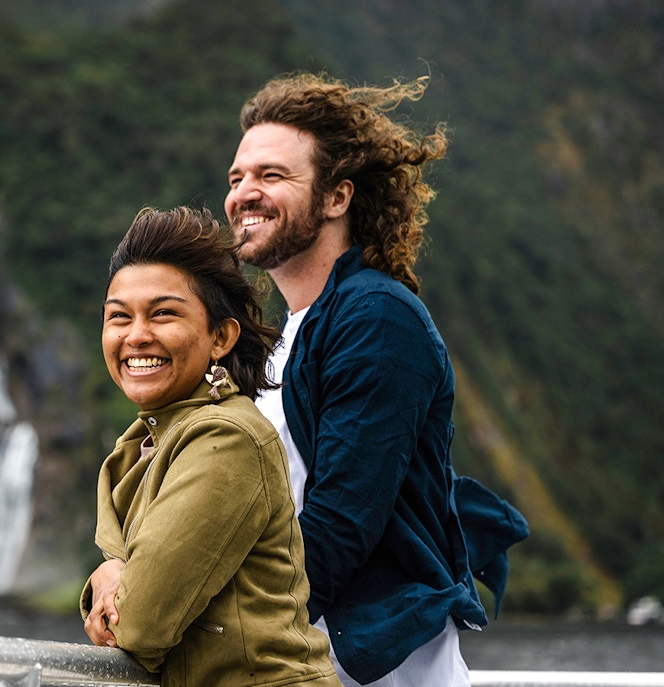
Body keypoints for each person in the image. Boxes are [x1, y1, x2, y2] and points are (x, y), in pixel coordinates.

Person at [225, 73, 528, 686]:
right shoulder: (287, 335)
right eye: (237, 178)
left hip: (366, 670)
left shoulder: (375, 315)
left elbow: (339, 524)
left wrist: (215, 630)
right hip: (299, 663)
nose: (244, 193)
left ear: (337, 198)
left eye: (271, 176)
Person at [81, 205, 341, 687]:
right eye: (119, 317)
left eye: (162, 314)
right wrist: (115, 566)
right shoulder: (145, 441)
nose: (136, 336)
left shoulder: (227, 438)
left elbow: (137, 623)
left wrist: (112, 575)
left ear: (220, 336)